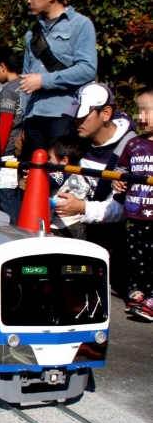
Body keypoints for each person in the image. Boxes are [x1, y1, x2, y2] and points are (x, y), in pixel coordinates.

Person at [55, 82, 136, 296]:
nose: (77, 121)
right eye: (75, 115)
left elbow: (123, 209)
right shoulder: (76, 138)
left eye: (83, 115)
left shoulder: (131, 148)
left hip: (107, 234)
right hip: (68, 222)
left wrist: (82, 208)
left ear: (106, 113)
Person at [20, 0, 98, 160]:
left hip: (63, 114)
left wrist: (45, 80)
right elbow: (25, 77)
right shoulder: (32, 33)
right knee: (38, 177)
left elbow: (87, 69)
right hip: (33, 116)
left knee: (63, 175)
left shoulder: (80, 25)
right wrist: (24, 120)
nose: (29, 1)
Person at [113, 87, 153, 320]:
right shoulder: (133, 143)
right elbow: (121, 171)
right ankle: (138, 291)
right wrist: (118, 182)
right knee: (137, 257)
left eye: (148, 111)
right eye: (139, 111)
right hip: (136, 215)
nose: (142, 117)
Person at [0, 46, 24, 224]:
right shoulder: (26, 84)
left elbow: (5, 123)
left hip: (9, 148)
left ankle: (15, 229)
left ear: (2, 67)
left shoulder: (8, 90)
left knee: (7, 194)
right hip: (24, 146)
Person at [48, 135, 92, 239]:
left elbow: (52, 181)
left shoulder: (62, 173)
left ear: (64, 161)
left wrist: (37, 173)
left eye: (50, 158)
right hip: (80, 223)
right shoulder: (81, 174)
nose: (48, 162)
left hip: (64, 224)